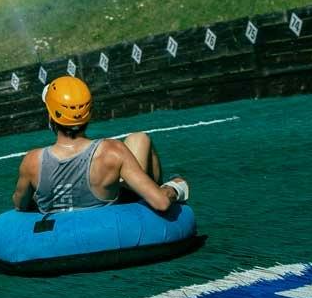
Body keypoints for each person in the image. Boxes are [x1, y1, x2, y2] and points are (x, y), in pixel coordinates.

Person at [11, 75, 188, 214]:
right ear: (89, 114)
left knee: (138, 139)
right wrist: (174, 188)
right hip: (111, 218)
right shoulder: (111, 151)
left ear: (51, 117)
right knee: (140, 140)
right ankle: (160, 185)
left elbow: (20, 205)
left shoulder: (31, 161)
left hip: (61, 234)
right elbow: (162, 203)